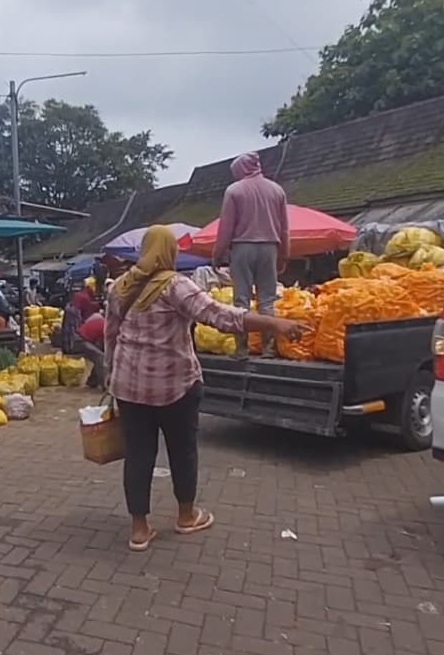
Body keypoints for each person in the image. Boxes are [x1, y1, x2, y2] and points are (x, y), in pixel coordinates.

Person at [106, 226, 303, 552]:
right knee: (182, 451)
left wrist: (110, 374)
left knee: (138, 455)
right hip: (175, 387)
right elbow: (220, 316)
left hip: (129, 388)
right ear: (169, 251)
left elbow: (111, 335)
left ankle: (139, 530)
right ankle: (186, 516)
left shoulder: (119, 287)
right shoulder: (175, 286)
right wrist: (273, 323)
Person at [213, 152, 289, 357]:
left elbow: (226, 228)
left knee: (241, 300)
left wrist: (217, 254)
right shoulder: (277, 190)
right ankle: (268, 348)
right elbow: (284, 228)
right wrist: (284, 255)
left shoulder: (234, 190)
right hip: (270, 247)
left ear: (240, 170)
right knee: (267, 300)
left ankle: (242, 349)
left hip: (242, 248)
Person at [76, 310, 107, 388]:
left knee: (97, 357)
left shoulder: (102, 321)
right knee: (100, 357)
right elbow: (101, 344)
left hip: (81, 337)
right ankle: (104, 385)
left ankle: (92, 381)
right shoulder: (107, 327)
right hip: (81, 339)